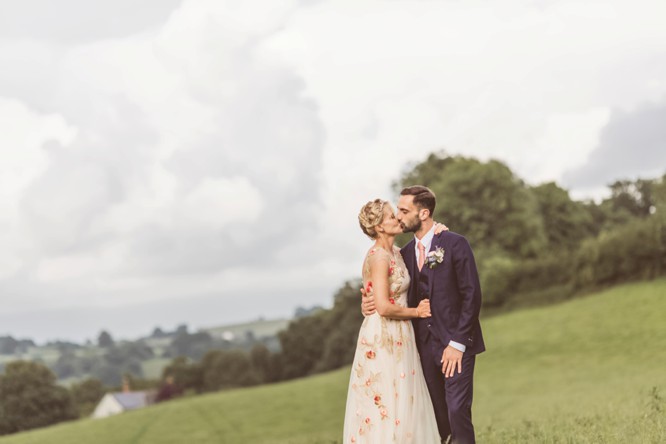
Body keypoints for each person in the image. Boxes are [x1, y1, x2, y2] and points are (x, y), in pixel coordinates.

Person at [362, 186, 485, 444]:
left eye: (404, 211)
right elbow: (387, 289)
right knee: (436, 417)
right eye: (397, 210)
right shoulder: (402, 255)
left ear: (424, 213)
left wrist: (457, 344)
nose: (398, 216)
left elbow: (471, 296)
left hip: (456, 346)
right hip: (419, 349)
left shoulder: (454, 243)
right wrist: (368, 301)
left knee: (457, 410)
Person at [343, 198, 444, 443]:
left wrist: (438, 232)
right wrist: (417, 312)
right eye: (390, 216)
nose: (397, 218)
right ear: (378, 227)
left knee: (405, 399)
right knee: (385, 402)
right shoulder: (378, 258)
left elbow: (423, 248)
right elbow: (383, 307)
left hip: (401, 335)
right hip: (383, 335)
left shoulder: (397, 252)